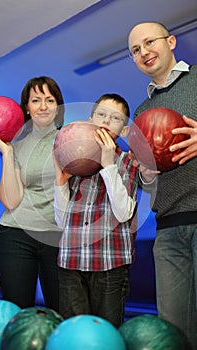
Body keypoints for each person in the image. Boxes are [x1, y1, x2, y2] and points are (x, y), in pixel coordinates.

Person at [128, 22, 197, 349]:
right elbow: (146, 184)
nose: (143, 52)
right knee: (172, 331)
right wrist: (147, 175)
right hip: (168, 228)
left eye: (149, 42)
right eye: (135, 50)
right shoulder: (141, 112)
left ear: (170, 41)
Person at [53, 93, 138, 327]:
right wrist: (60, 179)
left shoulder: (128, 162)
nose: (106, 121)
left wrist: (108, 164)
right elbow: (61, 221)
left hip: (110, 264)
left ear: (123, 131)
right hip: (71, 263)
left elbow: (123, 214)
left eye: (115, 118)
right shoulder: (74, 160)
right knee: (74, 335)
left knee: (106, 334)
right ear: (90, 120)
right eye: (101, 114)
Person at [0, 76, 65, 311]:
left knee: (60, 312)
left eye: (49, 100)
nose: (43, 106)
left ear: (58, 106)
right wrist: (7, 155)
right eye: (36, 100)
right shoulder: (17, 145)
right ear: (27, 108)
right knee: (17, 312)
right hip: (15, 234)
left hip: (57, 236)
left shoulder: (70, 139)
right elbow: (11, 200)